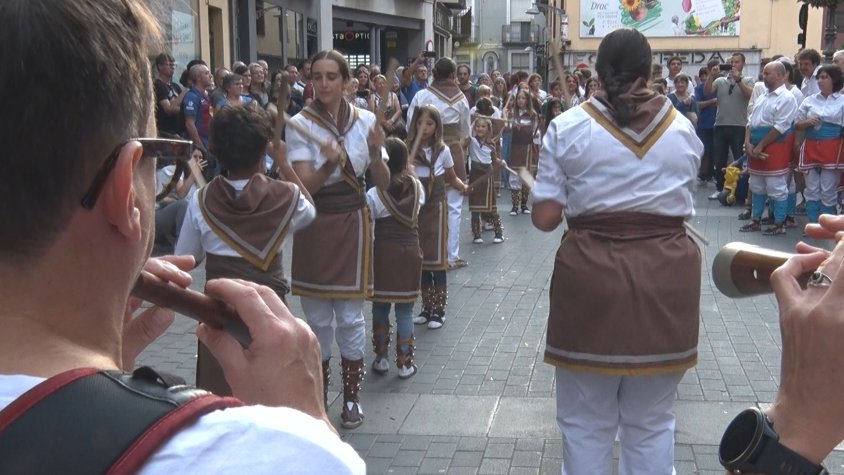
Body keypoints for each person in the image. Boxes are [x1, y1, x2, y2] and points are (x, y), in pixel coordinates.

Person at [0, 0, 364, 473]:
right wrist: (307, 430)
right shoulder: (262, 456)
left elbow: (189, 252)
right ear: (126, 190)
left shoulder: (203, 201)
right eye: (161, 153)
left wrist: (100, 367)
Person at [532, 28, 702, 475]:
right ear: (652, 71)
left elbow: (545, 218)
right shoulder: (684, 130)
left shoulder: (567, 127)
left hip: (592, 281)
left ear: (600, 73)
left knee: (586, 423)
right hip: (667, 281)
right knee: (652, 422)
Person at [287, 49, 391, 430]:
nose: (325, 83)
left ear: (347, 82)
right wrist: (330, 162)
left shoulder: (365, 121)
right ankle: (318, 401)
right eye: (318, 76)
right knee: (316, 320)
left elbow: (382, 182)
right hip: (314, 221)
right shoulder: (299, 122)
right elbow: (303, 187)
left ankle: (351, 399)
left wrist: (378, 149)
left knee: (349, 316)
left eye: (333, 76)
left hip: (352, 220)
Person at [367, 138, 425, 379]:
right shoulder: (417, 187)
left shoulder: (373, 193)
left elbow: (367, 221)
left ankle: (381, 359)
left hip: (383, 253)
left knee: (380, 306)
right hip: (410, 252)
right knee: (405, 310)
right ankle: (404, 364)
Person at [407, 105, 468, 329]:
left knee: (438, 260)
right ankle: (426, 307)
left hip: (437, 210)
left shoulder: (443, 151)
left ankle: (439, 311)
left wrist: (463, 187)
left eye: (429, 124)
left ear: (437, 127)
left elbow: (452, 178)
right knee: (421, 259)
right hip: (417, 211)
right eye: (420, 123)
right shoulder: (408, 150)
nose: (424, 128)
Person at [407, 58, 472, 270]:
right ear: (453, 75)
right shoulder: (462, 99)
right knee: (453, 208)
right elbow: (466, 132)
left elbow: (410, 125)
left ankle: (421, 253)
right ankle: (451, 256)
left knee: (420, 206)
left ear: (434, 73)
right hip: (452, 153)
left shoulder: (423, 95)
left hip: (421, 156)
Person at [738, 61, 798, 236]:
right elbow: (750, 121)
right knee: (756, 184)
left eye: (767, 73)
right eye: (763, 73)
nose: (763, 76)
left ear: (781, 75)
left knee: (776, 185)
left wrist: (761, 145)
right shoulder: (763, 96)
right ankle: (755, 220)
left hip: (775, 145)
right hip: (755, 144)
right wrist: (748, 143)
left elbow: (780, 127)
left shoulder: (787, 98)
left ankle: (779, 223)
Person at [795, 64, 844, 224]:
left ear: (834, 80)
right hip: (810, 147)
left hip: (833, 149)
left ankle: (826, 226)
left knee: (828, 190)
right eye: (819, 78)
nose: (820, 81)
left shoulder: (842, 101)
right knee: (812, 189)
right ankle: (813, 224)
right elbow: (796, 124)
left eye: (825, 77)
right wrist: (807, 122)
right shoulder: (809, 100)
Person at [705, 53, 755, 200]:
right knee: (719, 159)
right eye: (731, 62)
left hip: (739, 125)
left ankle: (739, 189)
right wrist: (710, 75)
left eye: (737, 62)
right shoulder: (720, 80)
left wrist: (738, 80)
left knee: (739, 159)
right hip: (720, 124)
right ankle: (720, 188)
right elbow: (708, 91)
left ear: (743, 64)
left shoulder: (749, 80)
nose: (733, 64)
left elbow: (750, 95)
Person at [467, 116, 504, 244]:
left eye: (483, 126)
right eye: (478, 126)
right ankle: (476, 235)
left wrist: (501, 162)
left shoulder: (491, 144)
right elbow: (466, 129)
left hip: (487, 176)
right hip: (475, 175)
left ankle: (499, 233)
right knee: (475, 207)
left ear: (488, 129)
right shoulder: (471, 141)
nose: (480, 129)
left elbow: (495, 160)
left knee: (491, 207)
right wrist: (472, 118)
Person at [505, 89, 539, 216]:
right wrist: (507, 119)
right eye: (518, 98)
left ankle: (524, 204)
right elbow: (507, 128)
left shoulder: (532, 115)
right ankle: (514, 206)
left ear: (527, 100)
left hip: (528, 149)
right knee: (515, 175)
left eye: (523, 98)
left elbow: (535, 132)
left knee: (526, 176)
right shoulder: (512, 114)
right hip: (516, 148)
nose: (520, 100)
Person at [153, 53, 187, 138]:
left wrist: (176, 105)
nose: (172, 68)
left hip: (179, 130)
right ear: (160, 66)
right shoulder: (158, 85)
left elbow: (183, 105)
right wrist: (184, 92)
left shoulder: (175, 86)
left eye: (174, 65)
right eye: (169, 65)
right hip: (166, 131)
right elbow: (168, 110)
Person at [695, 65, 718, 183]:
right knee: (705, 149)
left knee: (717, 150)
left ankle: (713, 174)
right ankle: (703, 174)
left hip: (719, 123)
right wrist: (712, 101)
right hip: (705, 123)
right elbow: (698, 104)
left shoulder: (723, 85)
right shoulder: (701, 87)